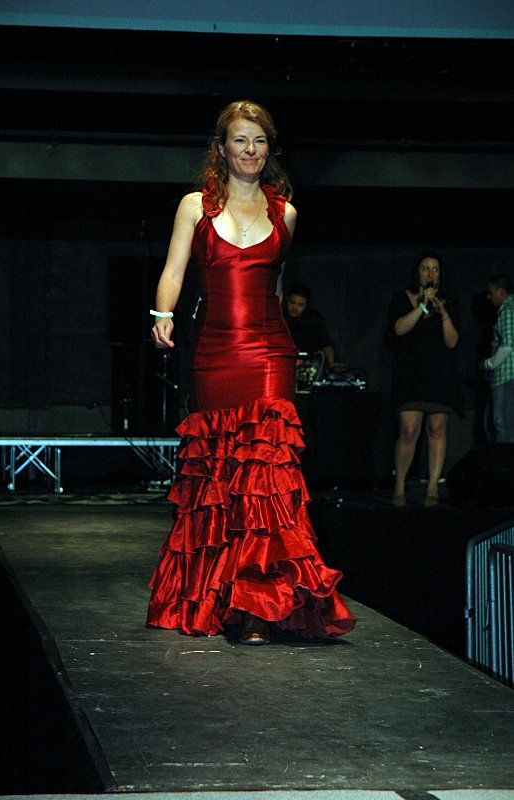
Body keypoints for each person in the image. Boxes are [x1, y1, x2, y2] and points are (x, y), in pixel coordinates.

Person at [146, 100, 355, 645]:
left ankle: (259, 608)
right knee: (219, 480)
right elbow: (173, 271)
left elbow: (278, 289)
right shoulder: (195, 206)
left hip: (268, 353)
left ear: (270, 150)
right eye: (240, 140)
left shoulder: (284, 212)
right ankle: (218, 596)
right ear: (221, 148)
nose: (250, 151)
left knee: (265, 474)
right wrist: (163, 315)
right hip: (215, 354)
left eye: (259, 142)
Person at [387, 251, 463, 507]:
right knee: (409, 430)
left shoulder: (449, 304)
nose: (430, 274)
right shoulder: (402, 298)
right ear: (417, 272)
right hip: (411, 374)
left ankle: (433, 487)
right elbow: (398, 330)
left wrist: (442, 313)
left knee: (436, 430)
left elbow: (452, 342)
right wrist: (422, 306)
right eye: (425, 268)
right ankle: (400, 486)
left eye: (435, 269)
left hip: (439, 375)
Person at [479, 274, 514, 442]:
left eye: (491, 292)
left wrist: (488, 363)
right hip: (501, 378)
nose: (489, 296)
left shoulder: (508, 310)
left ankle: (505, 463)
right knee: (493, 424)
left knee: (503, 424)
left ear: (501, 292)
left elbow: (507, 345)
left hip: (507, 378)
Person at [282, 282, 342, 368]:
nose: (294, 308)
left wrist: (331, 363)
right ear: (287, 300)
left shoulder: (314, 319)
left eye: (300, 305)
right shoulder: (280, 318)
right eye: (292, 303)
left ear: (306, 305)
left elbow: (326, 343)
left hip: (309, 365)